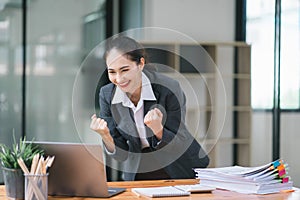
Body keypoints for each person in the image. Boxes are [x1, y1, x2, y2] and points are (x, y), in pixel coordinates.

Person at [90, 36, 209, 181]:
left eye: (124, 70)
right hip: (137, 172)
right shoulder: (107, 95)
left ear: (140, 63)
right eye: (112, 72)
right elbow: (121, 155)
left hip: (175, 169)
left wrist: (158, 130)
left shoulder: (169, 88)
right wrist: (106, 136)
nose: (119, 79)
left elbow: (180, 142)